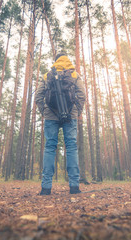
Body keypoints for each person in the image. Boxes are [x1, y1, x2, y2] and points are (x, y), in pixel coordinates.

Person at [35, 52, 86, 195]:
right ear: (67, 59)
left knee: (50, 146)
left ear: (55, 60)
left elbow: (38, 96)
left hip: (51, 114)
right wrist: (77, 111)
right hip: (71, 114)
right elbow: (82, 94)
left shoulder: (47, 75)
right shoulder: (74, 74)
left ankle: (46, 188)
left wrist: (44, 111)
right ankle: (74, 187)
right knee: (71, 147)